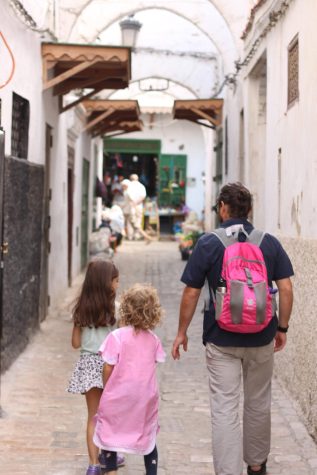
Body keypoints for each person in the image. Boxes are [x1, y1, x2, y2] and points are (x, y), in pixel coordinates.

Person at [172, 182, 294, 475]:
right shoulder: (268, 242)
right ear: (250, 210)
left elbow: (191, 291)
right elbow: (286, 288)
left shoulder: (208, 243)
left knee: (225, 408)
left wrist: (181, 332)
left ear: (222, 208)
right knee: (258, 402)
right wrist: (282, 327)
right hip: (262, 335)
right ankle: (255, 464)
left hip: (221, 338)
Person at [93, 284, 166, 475]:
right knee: (147, 437)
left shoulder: (116, 337)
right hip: (144, 397)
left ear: (125, 308)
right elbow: (154, 363)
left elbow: (108, 365)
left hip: (118, 394)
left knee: (110, 432)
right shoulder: (153, 340)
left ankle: (111, 472)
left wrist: (107, 386)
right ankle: (151, 472)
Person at [66, 259, 124, 475]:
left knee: (93, 415)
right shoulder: (116, 310)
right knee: (111, 414)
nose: (118, 285)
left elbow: (75, 344)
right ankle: (112, 455)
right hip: (110, 366)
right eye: (116, 281)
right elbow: (122, 342)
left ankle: (93, 464)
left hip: (88, 365)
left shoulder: (80, 310)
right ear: (106, 283)